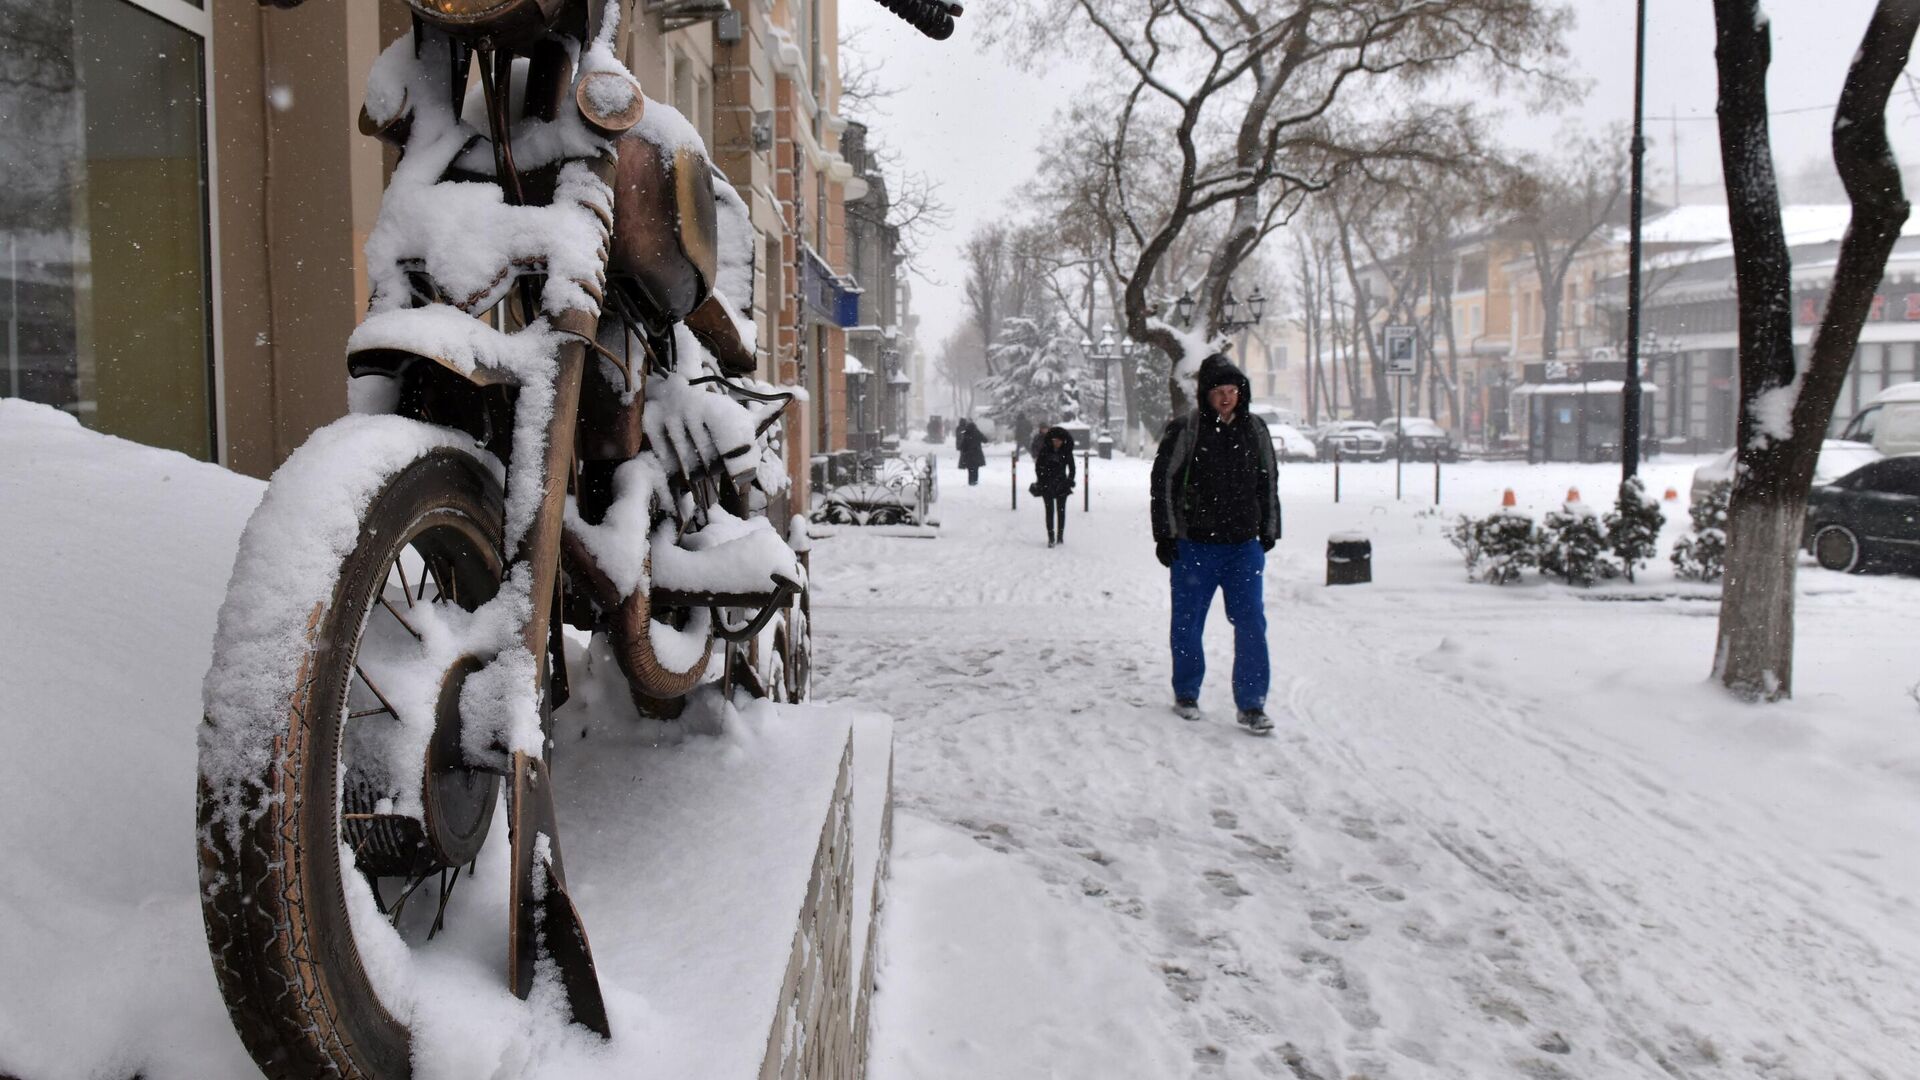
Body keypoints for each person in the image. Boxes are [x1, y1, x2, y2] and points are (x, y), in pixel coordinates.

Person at [1149, 354, 1282, 735]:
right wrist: (1165, 535)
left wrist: (1269, 528)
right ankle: (1187, 692)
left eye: (1232, 391)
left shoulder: (1255, 430)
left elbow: (1268, 481)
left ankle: (1252, 704)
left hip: (1242, 546)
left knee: (1252, 623)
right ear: (1205, 395)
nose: (1226, 399)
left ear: (1242, 393)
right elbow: (1164, 484)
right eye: (1218, 392)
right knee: (1188, 623)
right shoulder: (1185, 430)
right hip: (1195, 547)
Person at [1031, 425, 1076, 547]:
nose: (1056, 443)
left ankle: (1060, 536)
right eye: (1054, 441)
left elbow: (1072, 469)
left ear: (1063, 441)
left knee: (1061, 511)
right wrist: (1042, 479)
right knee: (1049, 511)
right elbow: (1038, 467)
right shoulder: (1045, 451)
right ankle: (1051, 536)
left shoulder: (1066, 452)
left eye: (1059, 441)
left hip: (1062, 485)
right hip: (1047, 485)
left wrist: (1069, 480)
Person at [955, 418, 987, 485]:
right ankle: (975, 481)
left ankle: (970, 481)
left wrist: (961, 448)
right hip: (977, 455)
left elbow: (962, 445)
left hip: (968, 456)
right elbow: (985, 440)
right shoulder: (977, 433)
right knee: (976, 469)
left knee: (970, 470)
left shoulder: (966, 434)